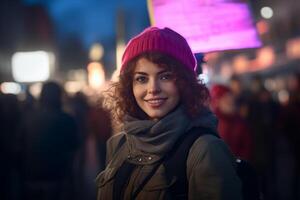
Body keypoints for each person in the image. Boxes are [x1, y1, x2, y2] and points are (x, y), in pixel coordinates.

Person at [96, 27, 242, 200]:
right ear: (129, 87)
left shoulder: (205, 150)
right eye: (141, 79)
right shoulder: (118, 143)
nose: (153, 89)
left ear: (185, 82)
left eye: (165, 76)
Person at [210, 84, 253, 161]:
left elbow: (247, 147)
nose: (230, 101)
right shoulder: (212, 123)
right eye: (225, 98)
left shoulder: (240, 122)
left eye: (231, 97)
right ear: (217, 101)